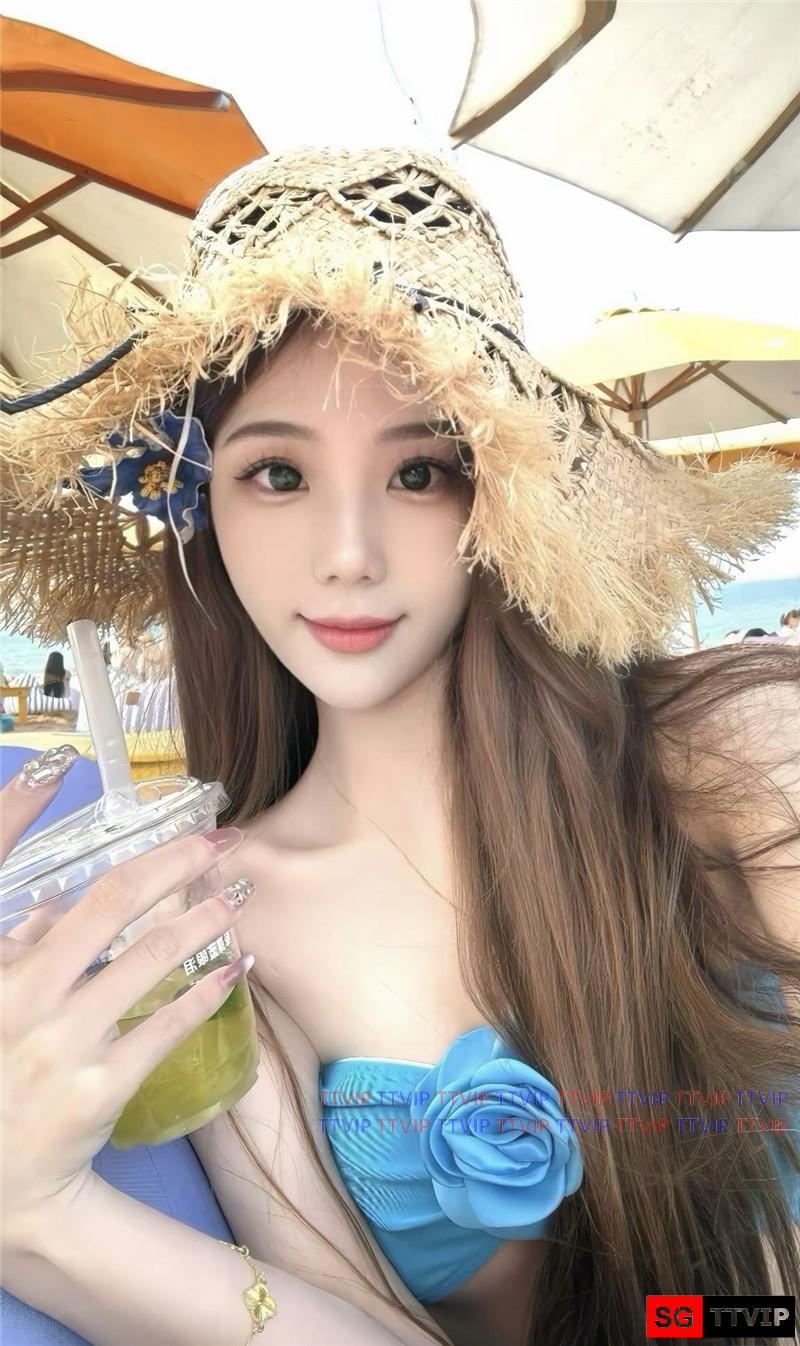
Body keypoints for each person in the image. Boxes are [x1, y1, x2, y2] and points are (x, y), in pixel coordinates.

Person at [0, 146, 798, 1346]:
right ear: (200, 508)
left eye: (419, 471)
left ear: (502, 497)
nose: (349, 554)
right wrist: (40, 1220)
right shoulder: (216, 924)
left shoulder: (739, 744)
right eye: (277, 472)